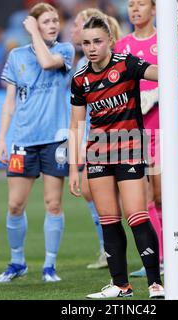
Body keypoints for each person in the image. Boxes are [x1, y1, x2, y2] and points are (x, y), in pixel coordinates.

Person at [69, 15, 164, 299]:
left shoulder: (127, 64)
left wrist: (175, 44)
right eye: (86, 43)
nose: (91, 48)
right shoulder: (80, 80)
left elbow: (163, 73)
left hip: (129, 147)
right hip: (98, 151)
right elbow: (76, 125)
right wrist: (75, 169)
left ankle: (155, 284)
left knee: (136, 215)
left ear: (110, 40)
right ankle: (120, 285)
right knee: (108, 219)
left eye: (97, 41)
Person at [0, 2, 75, 284]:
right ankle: (17, 262)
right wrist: (2, 137)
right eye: (47, 21)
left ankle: (49, 267)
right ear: (34, 25)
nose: (54, 25)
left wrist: (35, 35)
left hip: (56, 139)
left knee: (53, 204)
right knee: (15, 205)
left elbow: (46, 62)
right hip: (23, 140)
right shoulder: (16, 56)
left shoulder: (65, 51)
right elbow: (9, 101)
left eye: (56, 20)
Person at [114, 0, 178, 277]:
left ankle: (173, 252)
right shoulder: (121, 45)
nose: (134, 9)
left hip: (163, 131)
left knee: (162, 195)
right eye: (130, 4)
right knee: (143, 197)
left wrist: (159, 93)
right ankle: (160, 258)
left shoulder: (168, 39)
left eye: (140, 4)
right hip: (133, 132)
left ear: (153, 9)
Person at [70, 8, 121, 270]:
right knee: (94, 193)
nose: (72, 29)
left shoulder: (109, 60)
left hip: (118, 137)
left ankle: (154, 258)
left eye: (77, 24)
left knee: (139, 199)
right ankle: (108, 251)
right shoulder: (81, 65)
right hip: (95, 139)